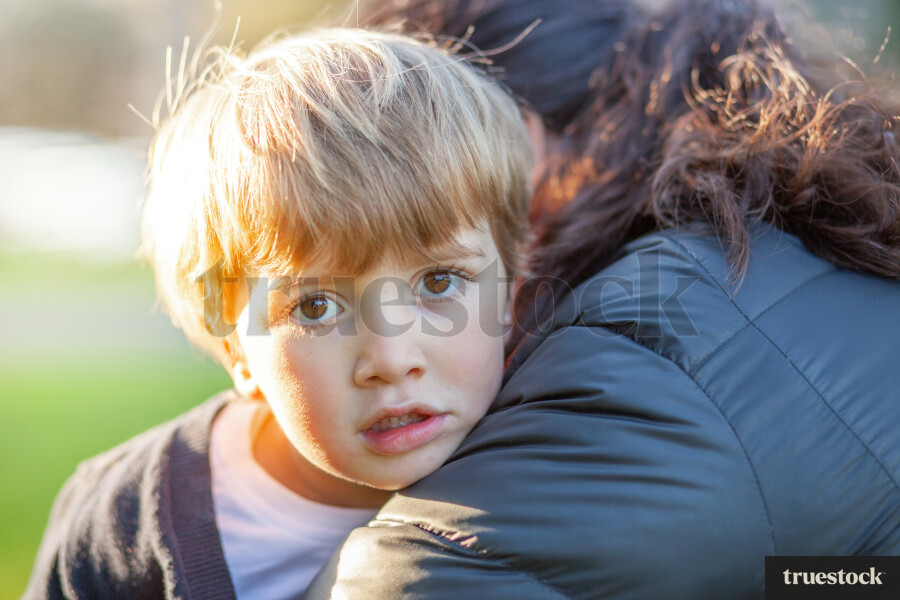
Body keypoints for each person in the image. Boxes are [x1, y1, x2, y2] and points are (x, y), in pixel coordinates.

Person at [302, 0, 900, 597]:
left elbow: (422, 579)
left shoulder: (647, 331)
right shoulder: (809, 238)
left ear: (517, 146)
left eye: (397, 170)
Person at [23, 27, 531, 599]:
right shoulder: (118, 522)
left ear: (512, 289)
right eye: (315, 306)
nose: (390, 358)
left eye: (439, 281)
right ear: (234, 344)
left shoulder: (561, 458)